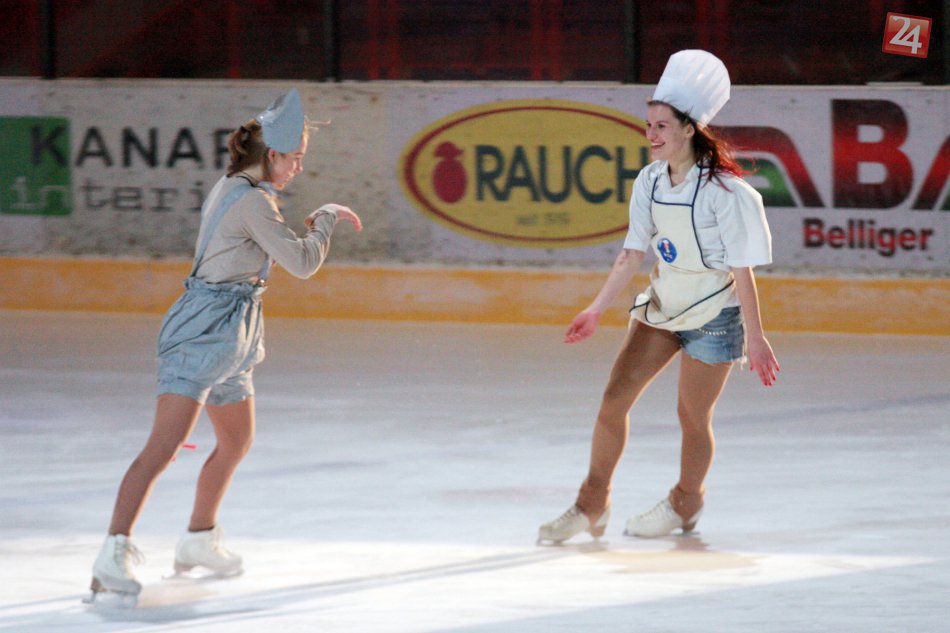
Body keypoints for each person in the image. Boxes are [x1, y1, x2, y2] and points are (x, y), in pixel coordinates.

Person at [88, 88, 362, 602]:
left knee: (236, 441)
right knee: (162, 449)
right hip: (202, 331)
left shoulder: (240, 188)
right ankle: (111, 553)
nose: (299, 168)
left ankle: (198, 538)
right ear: (273, 155)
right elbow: (303, 264)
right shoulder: (252, 201)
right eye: (295, 157)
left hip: (236, 329)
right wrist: (326, 217)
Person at [538, 50, 779, 544]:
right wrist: (596, 308)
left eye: (662, 126)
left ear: (689, 130)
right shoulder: (648, 181)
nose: (651, 134)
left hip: (715, 317)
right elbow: (632, 252)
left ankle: (686, 502)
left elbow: (742, 269)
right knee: (613, 402)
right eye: (648, 124)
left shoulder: (726, 193)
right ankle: (591, 504)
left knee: (692, 418)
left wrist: (756, 338)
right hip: (663, 309)